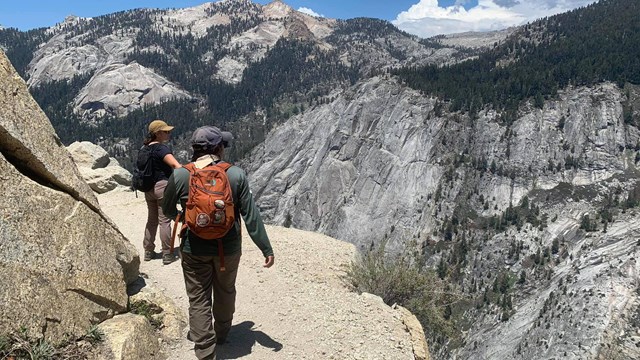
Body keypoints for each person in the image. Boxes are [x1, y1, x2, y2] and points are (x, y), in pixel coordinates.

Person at [162, 126, 274, 360]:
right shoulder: (235, 174)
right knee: (225, 290)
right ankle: (221, 333)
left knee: (199, 297)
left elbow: (167, 208)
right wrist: (265, 247)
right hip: (229, 248)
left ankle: (204, 350)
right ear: (218, 148)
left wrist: (185, 219)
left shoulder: (181, 174)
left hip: (194, 247)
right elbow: (251, 216)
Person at [142, 119, 181, 265]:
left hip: (148, 189)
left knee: (152, 220)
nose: (169, 134)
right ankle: (167, 253)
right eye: (166, 132)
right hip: (162, 187)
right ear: (158, 134)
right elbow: (175, 165)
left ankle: (148, 250)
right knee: (164, 220)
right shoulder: (161, 149)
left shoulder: (144, 148)